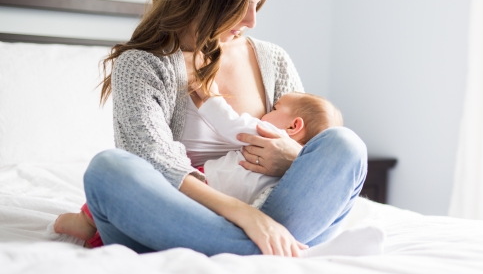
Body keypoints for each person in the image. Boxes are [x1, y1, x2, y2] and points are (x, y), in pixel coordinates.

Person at [56, 0, 370, 257]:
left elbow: (310, 148)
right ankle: (266, 251)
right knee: (108, 171)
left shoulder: (273, 60)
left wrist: (292, 159)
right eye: (241, 4)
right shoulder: (143, 65)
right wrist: (247, 217)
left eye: (258, 3)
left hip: (265, 214)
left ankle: (244, 250)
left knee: (345, 145)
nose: (252, 20)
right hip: (176, 217)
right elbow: (156, 165)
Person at [54, 89, 345, 242]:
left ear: (294, 125)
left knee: (149, 183)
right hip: (232, 209)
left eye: (275, 108)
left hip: (207, 183)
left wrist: (206, 92)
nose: (266, 112)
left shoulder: (269, 134)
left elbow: (228, 122)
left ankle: (88, 220)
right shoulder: (301, 171)